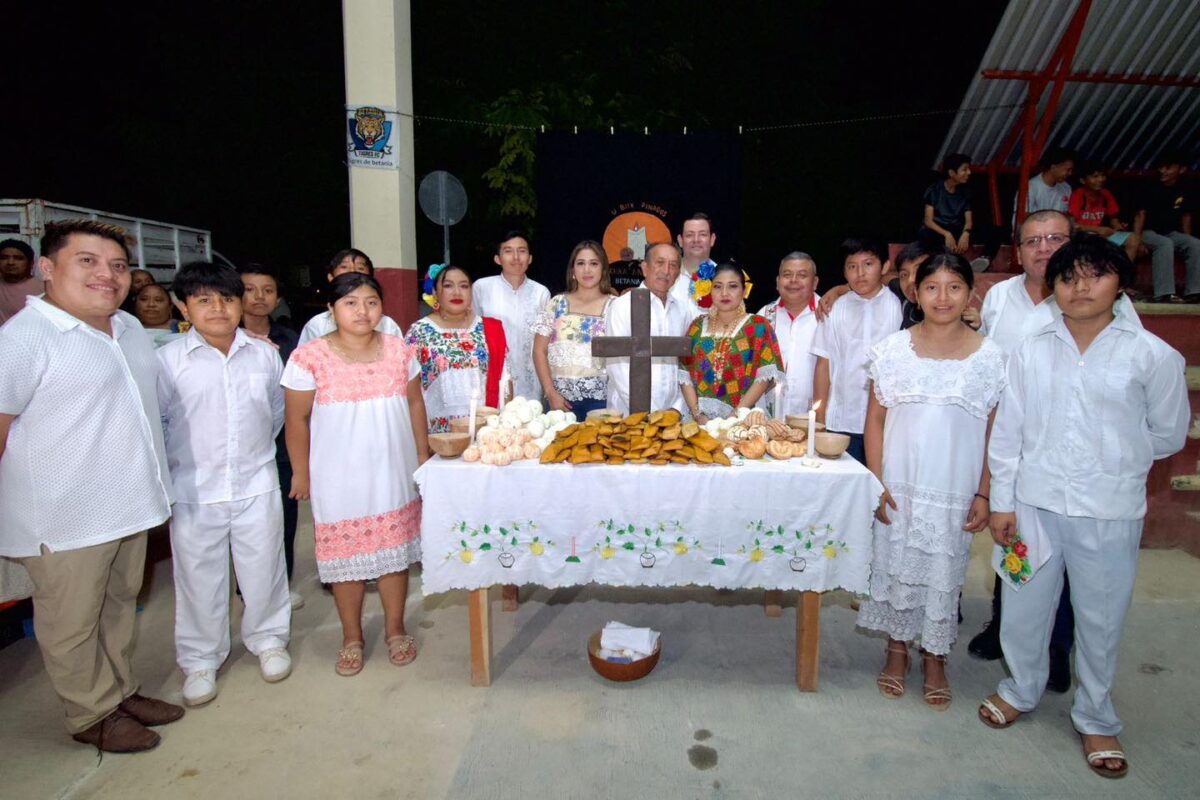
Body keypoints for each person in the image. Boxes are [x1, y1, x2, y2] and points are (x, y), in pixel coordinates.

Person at [978, 233, 1188, 780]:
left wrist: (1111, 457)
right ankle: (1019, 689)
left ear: (1120, 282)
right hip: (1033, 510)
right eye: (1068, 278)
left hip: (1108, 512)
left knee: (1100, 619)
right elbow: (1009, 433)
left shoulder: (1152, 356)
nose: (1080, 287)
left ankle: (1096, 716)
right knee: (1023, 608)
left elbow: (1166, 435)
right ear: (1055, 288)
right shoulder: (1031, 348)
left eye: (1095, 275)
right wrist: (1002, 502)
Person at [0, 220, 181, 753]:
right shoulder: (22, 340)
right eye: (88, 262)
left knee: (120, 606)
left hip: (128, 504)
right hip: (63, 514)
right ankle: (90, 713)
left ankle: (120, 692)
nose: (107, 275)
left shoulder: (126, 329)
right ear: (48, 269)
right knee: (71, 622)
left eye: (117, 265)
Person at [857, 253, 1005, 709]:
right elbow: (875, 423)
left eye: (954, 287)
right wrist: (877, 484)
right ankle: (896, 648)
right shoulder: (892, 350)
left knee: (944, 572)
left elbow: (994, 431)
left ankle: (936, 655)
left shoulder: (991, 357)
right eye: (932, 287)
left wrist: (984, 490)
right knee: (897, 564)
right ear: (915, 294)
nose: (943, 297)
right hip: (900, 482)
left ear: (970, 293)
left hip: (954, 487)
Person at [157, 262, 291, 707]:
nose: (218, 308)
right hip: (195, 489)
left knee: (263, 568)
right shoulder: (168, 361)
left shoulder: (264, 354)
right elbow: (159, 423)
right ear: (183, 305)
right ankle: (200, 661)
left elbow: (274, 414)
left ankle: (269, 639)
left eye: (227, 299)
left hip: (255, 481)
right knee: (199, 577)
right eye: (204, 300)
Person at [284, 272, 429, 676]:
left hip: (393, 469)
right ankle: (352, 637)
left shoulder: (400, 350)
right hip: (337, 474)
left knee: (393, 554)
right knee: (344, 557)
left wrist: (421, 455)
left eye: (370, 301)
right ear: (331, 310)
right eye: (350, 303)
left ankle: (395, 630)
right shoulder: (309, 357)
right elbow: (296, 420)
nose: (362, 311)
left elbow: (416, 405)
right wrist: (301, 473)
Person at [969, 209, 1083, 689]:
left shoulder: (1095, 299)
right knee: (1011, 539)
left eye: (1055, 237)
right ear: (1018, 252)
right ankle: (1004, 627)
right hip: (1012, 445)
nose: (1043, 248)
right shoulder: (1001, 296)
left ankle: (1056, 649)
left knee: (1068, 561)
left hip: (1072, 453)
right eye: (1033, 241)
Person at [240, 264, 304, 609]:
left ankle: (281, 585)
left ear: (277, 298)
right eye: (249, 289)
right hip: (239, 448)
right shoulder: (225, 337)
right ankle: (245, 591)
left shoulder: (289, 340)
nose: (259, 297)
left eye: (267, 290)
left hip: (281, 447)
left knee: (283, 519)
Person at [811, 236, 903, 463]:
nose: (860, 273)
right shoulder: (833, 309)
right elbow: (824, 364)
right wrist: (820, 420)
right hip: (840, 421)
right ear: (844, 272)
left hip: (888, 422)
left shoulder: (899, 304)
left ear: (885, 266)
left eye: (868, 264)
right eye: (852, 266)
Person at [408, 264, 509, 431]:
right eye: (448, 286)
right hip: (438, 436)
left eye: (464, 286)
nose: (457, 292)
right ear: (434, 293)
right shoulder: (418, 332)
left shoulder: (490, 329)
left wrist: (505, 425)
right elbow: (411, 396)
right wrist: (422, 449)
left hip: (486, 430)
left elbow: (505, 379)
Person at [680, 263, 783, 421]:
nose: (724, 293)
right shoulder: (697, 327)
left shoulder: (758, 327)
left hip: (744, 419)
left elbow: (764, 377)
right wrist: (698, 415)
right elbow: (684, 373)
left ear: (744, 290)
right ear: (709, 289)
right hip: (699, 422)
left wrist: (734, 417)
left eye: (733, 286)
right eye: (717, 286)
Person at [603, 242, 691, 414]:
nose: (666, 270)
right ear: (644, 268)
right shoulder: (622, 306)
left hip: (672, 414)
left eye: (673, 265)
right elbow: (617, 364)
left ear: (678, 274)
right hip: (630, 413)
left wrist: (677, 408)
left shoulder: (682, 310)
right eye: (659, 262)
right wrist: (649, 412)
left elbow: (685, 364)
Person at [532, 241, 615, 417]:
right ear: (572, 270)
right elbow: (539, 351)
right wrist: (550, 392)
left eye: (594, 263)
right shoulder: (556, 303)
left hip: (600, 401)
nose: (587, 270)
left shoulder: (614, 306)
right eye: (581, 263)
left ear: (604, 269)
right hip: (558, 400)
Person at [472, 230, 550, 401]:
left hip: (531, 382)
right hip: (492, 378)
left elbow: (545, 342)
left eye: (522, 251)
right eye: (508, 251)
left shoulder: (541, 293)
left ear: (529, 258)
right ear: (497, 258)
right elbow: (473, 333)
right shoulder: (481, 288)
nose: (516, 257)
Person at [757, 252, 821, 416]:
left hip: (813, 419)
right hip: (768, 420)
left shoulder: (827, 314)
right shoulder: (764, 315)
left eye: (802, 275)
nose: (793, 280)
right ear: (778, 282)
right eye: (787, 275)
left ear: (814, 282)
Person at [298, 248, 402, 344]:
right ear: (330, 277)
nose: (352, 271)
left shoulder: (387, 326)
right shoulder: (317, 325)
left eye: (360, 268)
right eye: (344, 267)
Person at [1135, 151, 1199, 303]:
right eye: (1162, 167)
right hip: (1146, 232)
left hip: (1169, 232)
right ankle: (1164, 294)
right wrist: (1137, 240)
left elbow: (1186, 216)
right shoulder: (1150, 185)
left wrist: (1187, 238)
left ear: (1181, 170)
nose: (1163, 171)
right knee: (1165, 244)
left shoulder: (1185, 188)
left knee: (1195, 244)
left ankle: (1194, 292)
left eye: (1169, 167)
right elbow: (1140, 214)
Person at [1068, 163, 1141, 262]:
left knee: (1133, 239)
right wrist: (1098, 230)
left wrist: (1119, 227)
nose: (1100, 179)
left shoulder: (1105, 194)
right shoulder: (1078, 195)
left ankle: (1124, 272)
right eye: (1095, 177)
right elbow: (1072, 225)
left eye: (1102, 175)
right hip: (1082, 236)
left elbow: (1113, 218)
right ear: (1083, 180)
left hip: (1102, 235)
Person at [919, 153, 975, 254]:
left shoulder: (965, 193)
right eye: (965, 169)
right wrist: (946, 234)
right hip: (937, 231)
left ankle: (984, 258)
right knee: (927, 234)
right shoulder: (934, 190)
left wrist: (966, 233)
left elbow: (968, 221)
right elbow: (928, 221)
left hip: (955, 231)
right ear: (952, 173)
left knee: (996, 232)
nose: (969, 172)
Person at [670, 213, 712, 320]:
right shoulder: (666, 274)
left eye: (702, 234)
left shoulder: (723, 276)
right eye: (689, 235)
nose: (696, 240)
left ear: (712, 239)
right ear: (680, 240)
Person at [1018, 146, 1075, 220]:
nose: (1070, 173)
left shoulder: (1066, 187)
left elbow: (1066, 214)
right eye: (1068, 170)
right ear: (1053, 166)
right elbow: (1023, 216)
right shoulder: (1031, 187)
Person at [0, 239, 44, 325]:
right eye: (4, 258)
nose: (10, 262)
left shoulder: (44, 290)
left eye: (18, 258)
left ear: (31, 264)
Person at [133, 283, 183, 348]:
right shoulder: (122, 330)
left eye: (158, 300)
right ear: (135, 304)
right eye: (144, 299)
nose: (151, 304)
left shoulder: (184, 329)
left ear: (170, 306)